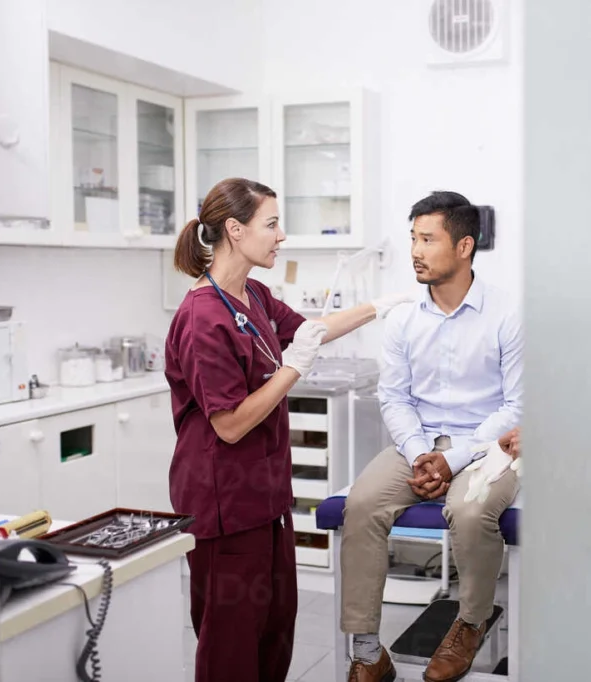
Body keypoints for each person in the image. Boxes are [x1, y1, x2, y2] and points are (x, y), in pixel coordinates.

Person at [165, 177, 412, 682]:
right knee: (231, 644)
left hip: (266, 497)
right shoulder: (201, 317)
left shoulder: (252, 294)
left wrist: (381, 306)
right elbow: (230, 425)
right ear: (235, 230)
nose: (281, 236)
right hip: (224, 504)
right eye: (272, 224)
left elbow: (310, 332)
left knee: (274, 629)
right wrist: (293, 369)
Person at [340, 191, 523, 682]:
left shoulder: (507, 313)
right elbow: (394, 398)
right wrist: (422, 453)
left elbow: (516, 406)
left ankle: (470, 622)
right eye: (413, 239)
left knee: (470, 510)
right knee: (362, 504)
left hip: (487, 446)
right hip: (417, 443)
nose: (416, 251)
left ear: (464, 246)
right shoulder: (404, 317)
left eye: (427, 240)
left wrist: (454, 459)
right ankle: (366, 650)